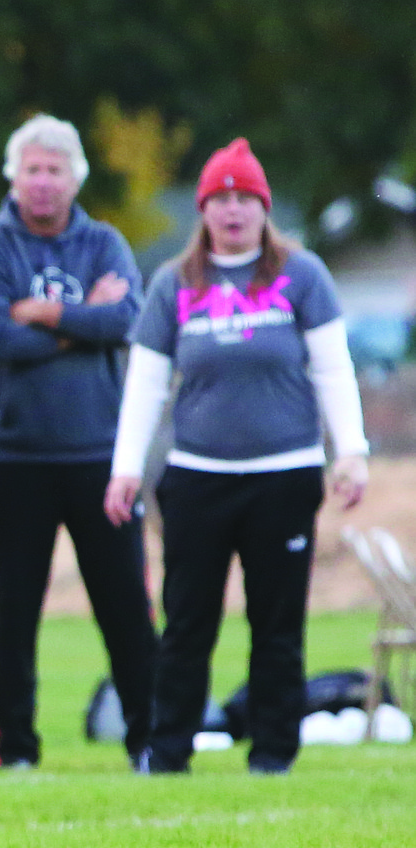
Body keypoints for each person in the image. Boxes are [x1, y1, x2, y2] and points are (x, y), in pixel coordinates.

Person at [105, 137, 369, 774]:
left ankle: (273, 752)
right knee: (188, 623)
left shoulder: (300, 276)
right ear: (202, 209)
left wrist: (351, 452)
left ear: (263, 207)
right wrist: (125, 467)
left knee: (276, 626)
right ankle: (169, 751)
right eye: (219, 199)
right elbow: (145, 382)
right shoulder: (175, 284)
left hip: (284, 475)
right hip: (199, 478)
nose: (231, 211)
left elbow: (333, 368)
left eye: (243, 199)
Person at [0, 114, 157, 770]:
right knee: (12, 615)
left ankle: (149, 739)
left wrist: (39, 311)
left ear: (76, 178)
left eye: (56, 169)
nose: (44, 182)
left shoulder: (104, 243)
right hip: (12, 458)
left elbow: (128, 318)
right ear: (14, 176)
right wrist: (79, 322)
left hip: (100, 454)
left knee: (125, 605)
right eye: (33, 169)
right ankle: (16, 750)